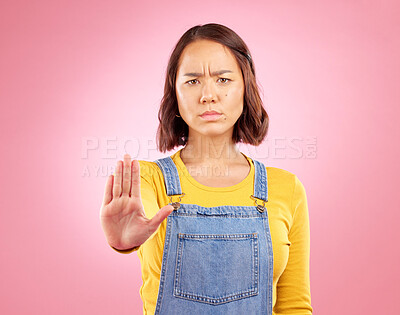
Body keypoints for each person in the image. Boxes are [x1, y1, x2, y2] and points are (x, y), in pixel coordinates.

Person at [100, 23, 313, 315]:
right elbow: (142, 213)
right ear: (175, 94)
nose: (208, 95)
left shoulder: (286, 188)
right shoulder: (147, 179)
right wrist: (124, 241)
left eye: (223, 79)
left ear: (245, 88)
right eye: (192, 81)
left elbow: (294, 305)